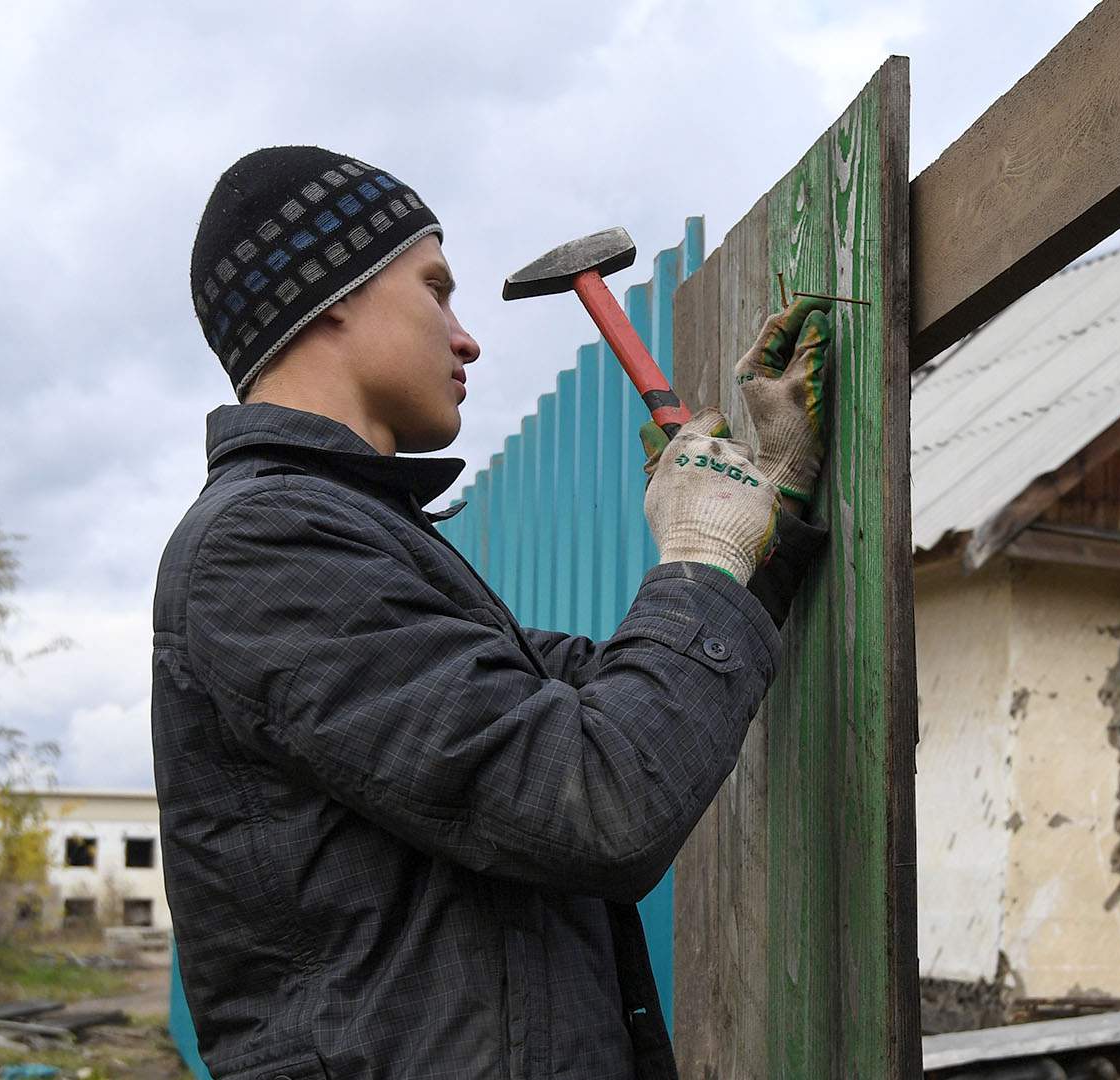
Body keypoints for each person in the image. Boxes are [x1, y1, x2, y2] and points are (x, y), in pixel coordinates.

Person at [154, 146, 832, 1079]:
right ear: (331, 297)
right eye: (435, 289)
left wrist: (769, 513)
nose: (465, 337)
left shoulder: (351, 540)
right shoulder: (267, 550)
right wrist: (702, 557)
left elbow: (605, 695)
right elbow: (599, 797)